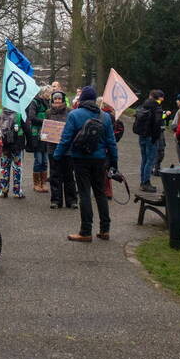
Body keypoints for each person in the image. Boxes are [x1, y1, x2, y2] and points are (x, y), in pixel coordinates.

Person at [53, 85, 118, 242]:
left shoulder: (74, 115)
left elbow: (66, 138)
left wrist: (57, 155)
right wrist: (114, 162)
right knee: (100, 193)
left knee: (84, 193)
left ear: (82, 99)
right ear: (95, 100)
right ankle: (105, 230)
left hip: (80, 159)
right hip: (100, 159)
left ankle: (86, 231)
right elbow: (111, 142)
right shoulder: (105, 117)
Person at [46, 91, 76, 209]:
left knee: (69, 175)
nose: (57, 101)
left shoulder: (70, 112)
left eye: (59, 99)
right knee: (54, 175)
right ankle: (56, 200)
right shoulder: (48, 112)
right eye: (55, 99)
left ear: (63, 99)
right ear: (52, 100)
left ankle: (72, 201)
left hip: (67, 148)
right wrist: (44, 134)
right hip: (52, 148)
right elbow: (46, 127)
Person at [135, 89, 166, 193]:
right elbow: (157, 123)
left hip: (142, 136)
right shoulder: (157, 108)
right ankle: (146, 182)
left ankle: (142, 181)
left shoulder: (143, 106)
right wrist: (155, 137)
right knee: (151, 160)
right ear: (158, 98)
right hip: (151, 137)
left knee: (144, 159)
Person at [0, 107, 27, 199]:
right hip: (17, 144)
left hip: (4, 144)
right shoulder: (19, 114)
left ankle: (3, 190)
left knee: (4, 167)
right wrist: (30, 142)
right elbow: (26, 128)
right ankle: (17, 192)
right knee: (17, 168)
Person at [26, 86, 51, 193]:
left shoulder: (50, 103)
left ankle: (43, 182)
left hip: (47, 134)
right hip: (37, 134)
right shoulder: (35, 102)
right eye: (48, 93)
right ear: (43, 93)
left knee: (45, 160)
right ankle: (36, 183)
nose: (49, 95)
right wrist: (45, 121)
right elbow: (32, 117)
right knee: (38, 160)